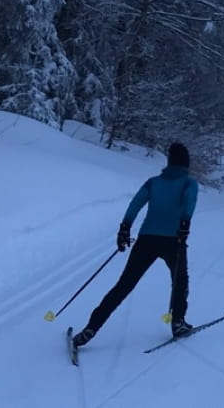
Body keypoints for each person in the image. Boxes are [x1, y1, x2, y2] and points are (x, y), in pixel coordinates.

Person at [72, 142, 199, 349]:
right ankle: (177, 323)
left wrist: (124, 228)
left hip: (146, 239)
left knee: (124, 286)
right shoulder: (189, 183)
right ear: (185, 163)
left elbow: (135, 205)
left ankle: (91, 328)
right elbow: (190, 202)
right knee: (180, 280)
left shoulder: (153, 183)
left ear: (169, 162)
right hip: (173, 240)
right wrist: (185, 223)